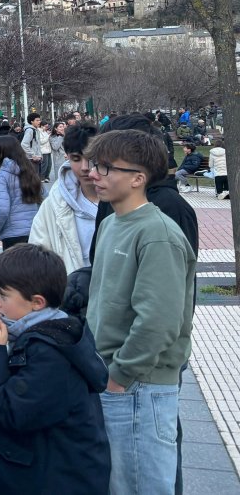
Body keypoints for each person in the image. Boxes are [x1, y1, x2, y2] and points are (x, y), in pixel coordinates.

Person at [85, 129, 195, 495]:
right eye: (93, 165)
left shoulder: (157, 234)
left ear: (138, 178)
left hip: (139, 387)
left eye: (105, 167)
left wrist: (120, 375)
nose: (93, 174)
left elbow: (159, 321)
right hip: (111, 381)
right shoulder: (110, 224)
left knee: (138, 487)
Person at [0, 244, 110, 495]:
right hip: (44, 471)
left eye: (3, 295)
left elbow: (12, 413)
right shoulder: (41, 333)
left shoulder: (50, 353)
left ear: (37, 302)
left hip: (54, 479)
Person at [29, 123, 99, 273]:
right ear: (67, 157)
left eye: (91, 158)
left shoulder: (120, 200)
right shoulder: (53, 205)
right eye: (76, 159)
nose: (85, 167)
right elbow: (37, 257)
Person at [0, 136, 43, 249]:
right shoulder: (30, 171)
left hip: (13, 235)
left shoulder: (1, 175)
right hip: (34, 233)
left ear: (2, 152)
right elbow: (45, 200)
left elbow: (2, 209)